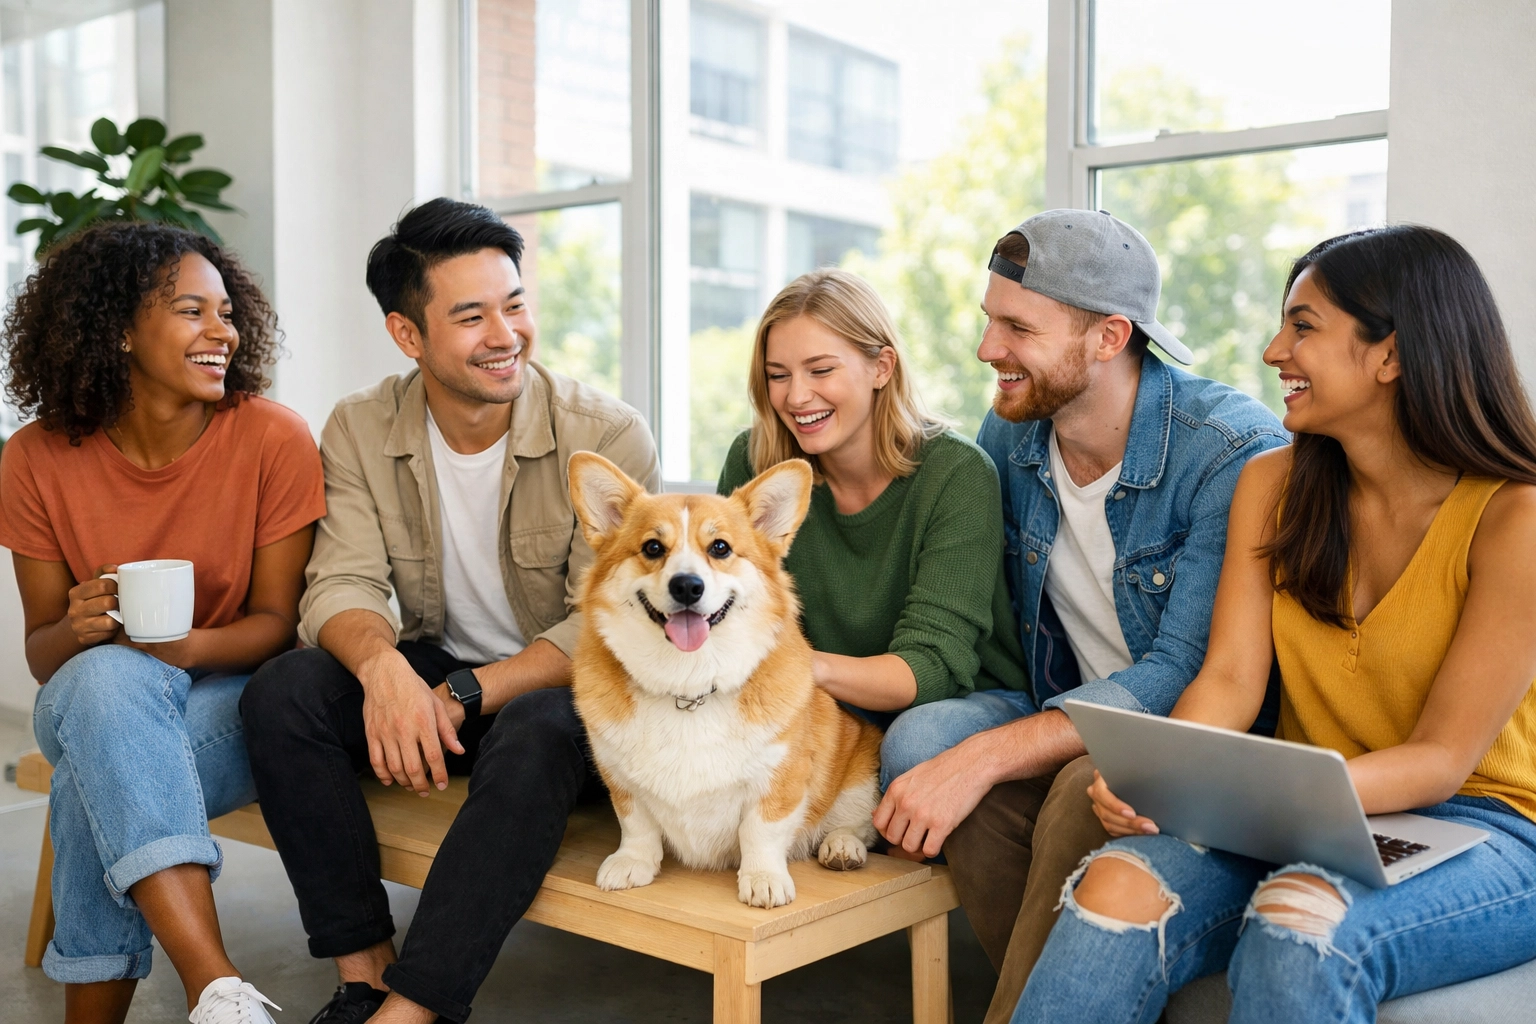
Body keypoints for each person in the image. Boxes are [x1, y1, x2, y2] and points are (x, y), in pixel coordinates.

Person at [1015, 225, 1536, 1024]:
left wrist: (1277, 798)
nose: (1271, 351)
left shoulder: (1515, 517)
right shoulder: (1272, 483)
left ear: (1390, 355)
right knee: (1115, 879)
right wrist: (1169, 784)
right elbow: (1229, 677)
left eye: (1303, 327)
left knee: (1300, 916)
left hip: (1487, 827)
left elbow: (1439, 761)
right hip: (1307, 811)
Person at [238, 198, 660, 1024]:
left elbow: (609, 624)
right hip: (441, 680)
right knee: (283, 692)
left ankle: (415, 1010)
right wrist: (383, 670)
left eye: (514, 304)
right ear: (408, 335)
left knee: (539, 726)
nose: (506, 333)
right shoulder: (360, 427)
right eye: (471, 316)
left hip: (566, 696)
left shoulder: (605, 435)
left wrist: (463, 694)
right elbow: (341, 584)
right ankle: (363, 975)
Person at [874, 210, 1287, 1020]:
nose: (987, 349)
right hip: (1058, 694)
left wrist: (989, 757)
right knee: (919, 743)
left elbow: (1184, 675)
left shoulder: (1227, 453)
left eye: (1017, 327)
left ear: (1109, 337)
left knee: (1064, 784)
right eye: (989, 319)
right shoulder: (1013, 430)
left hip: (1189, 724)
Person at [0, 223, 325, 1024]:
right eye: (192, 312)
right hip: (99, 697)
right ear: (116, 330)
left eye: (226, 313)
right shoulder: (34, 457)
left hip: (232, 704)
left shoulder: (271, 437)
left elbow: (277, 624)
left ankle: (202, 997)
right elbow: (45, 656)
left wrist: (175, 650)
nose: (224, 333)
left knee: (90, 777)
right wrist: (79, 626)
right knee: (106, 682)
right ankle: (216, 985)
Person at [715, 268, 1027, 737]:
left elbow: (930, 668)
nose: (797, 397)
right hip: (819, 693)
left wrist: (796, 666)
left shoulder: (958, 474)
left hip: (960, 700)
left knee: (912, 740)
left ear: (882, 367)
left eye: (821, 370)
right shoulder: (755, 460)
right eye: (778, 375)